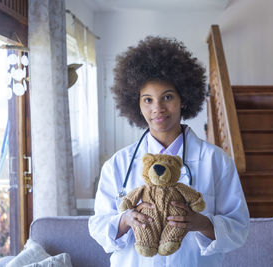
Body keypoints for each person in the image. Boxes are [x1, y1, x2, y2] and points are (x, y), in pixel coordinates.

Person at [88, 36, 250, 267]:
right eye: (148, 100)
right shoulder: (118, 164)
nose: (158, 109)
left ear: (183, 99)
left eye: (167, 97)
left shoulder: (216, 161)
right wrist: (125, 220)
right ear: (137, 104)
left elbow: (239, 228)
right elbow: (98, 226)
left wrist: (201, 223)